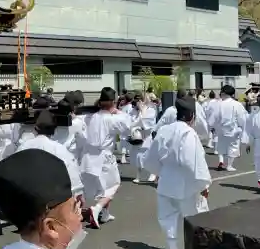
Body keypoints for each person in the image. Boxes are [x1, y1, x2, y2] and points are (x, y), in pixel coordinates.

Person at [140, 97, 212, 249]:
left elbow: (151, 158)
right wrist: (203, 184)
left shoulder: (165, 130)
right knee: (196, 216)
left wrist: (161, 172)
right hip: (187, 182)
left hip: (166, 180)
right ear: (192, 116)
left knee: (168, 217)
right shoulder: (189, 133)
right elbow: (192, 162)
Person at [80, 87, 131, 228]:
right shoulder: (112, 119)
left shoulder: (89, 117)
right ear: (113, 102)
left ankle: (104, 213)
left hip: (88, 156)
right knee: (113, 185)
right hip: (104, 156)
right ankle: (96, 209)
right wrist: (117, 111)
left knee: (102, 187)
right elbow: (128, 125)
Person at [17, 109, 84, 199]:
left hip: (29, 196)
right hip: (52, 197)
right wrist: (79, 194)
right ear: (54, 130)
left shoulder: (23, 147)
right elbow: (73, 177)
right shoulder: (60, 150)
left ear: (35, 128)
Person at [207, 84, 248, 172]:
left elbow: (213, 119)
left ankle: (221, 161)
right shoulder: (237, 104)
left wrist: (213, 126)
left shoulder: (219, 104)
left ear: (223, 93)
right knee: (233, 147)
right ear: (232, 94)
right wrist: (242, 127)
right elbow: (242, 118)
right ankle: (229, 165)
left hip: (221, 130)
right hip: (233, 130)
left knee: (221, 146)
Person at [128, 93, 158, 184]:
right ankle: (138, 176)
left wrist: (142, 111)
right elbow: (132, 121)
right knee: (137, 157)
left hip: (146, 136)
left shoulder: (151, 110)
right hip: (137, 135)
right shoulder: (134, 110)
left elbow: (146, 122)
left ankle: (153, 173)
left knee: (147, 156)